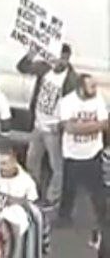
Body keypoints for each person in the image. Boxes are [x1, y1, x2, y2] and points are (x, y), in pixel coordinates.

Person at [19, 44, 78, 207]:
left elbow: (73, 106)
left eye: (62, 58)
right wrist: (30, 55)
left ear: (67, 59)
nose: (58, 61)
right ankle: (33, 192)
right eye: (56, 57)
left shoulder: (72, 80)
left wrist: (61, 125)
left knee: (56, 166)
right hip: (38, 124)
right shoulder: (45, 69)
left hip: (53, 129)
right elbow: (23, 68)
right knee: (32, 161)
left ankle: (52, 198)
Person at [57, 74, 108, 227]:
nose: (94, 89)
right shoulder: (67, 102)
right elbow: (68, 128)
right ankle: (64, 218)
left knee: (98, 190)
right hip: (72, 155)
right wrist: (95, 126)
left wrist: (80, 127)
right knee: (68, 190)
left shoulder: (98, 100)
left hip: (93, 153)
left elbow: (105, 124)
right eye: (91, 86)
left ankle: (104, 219)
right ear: (81, 88)